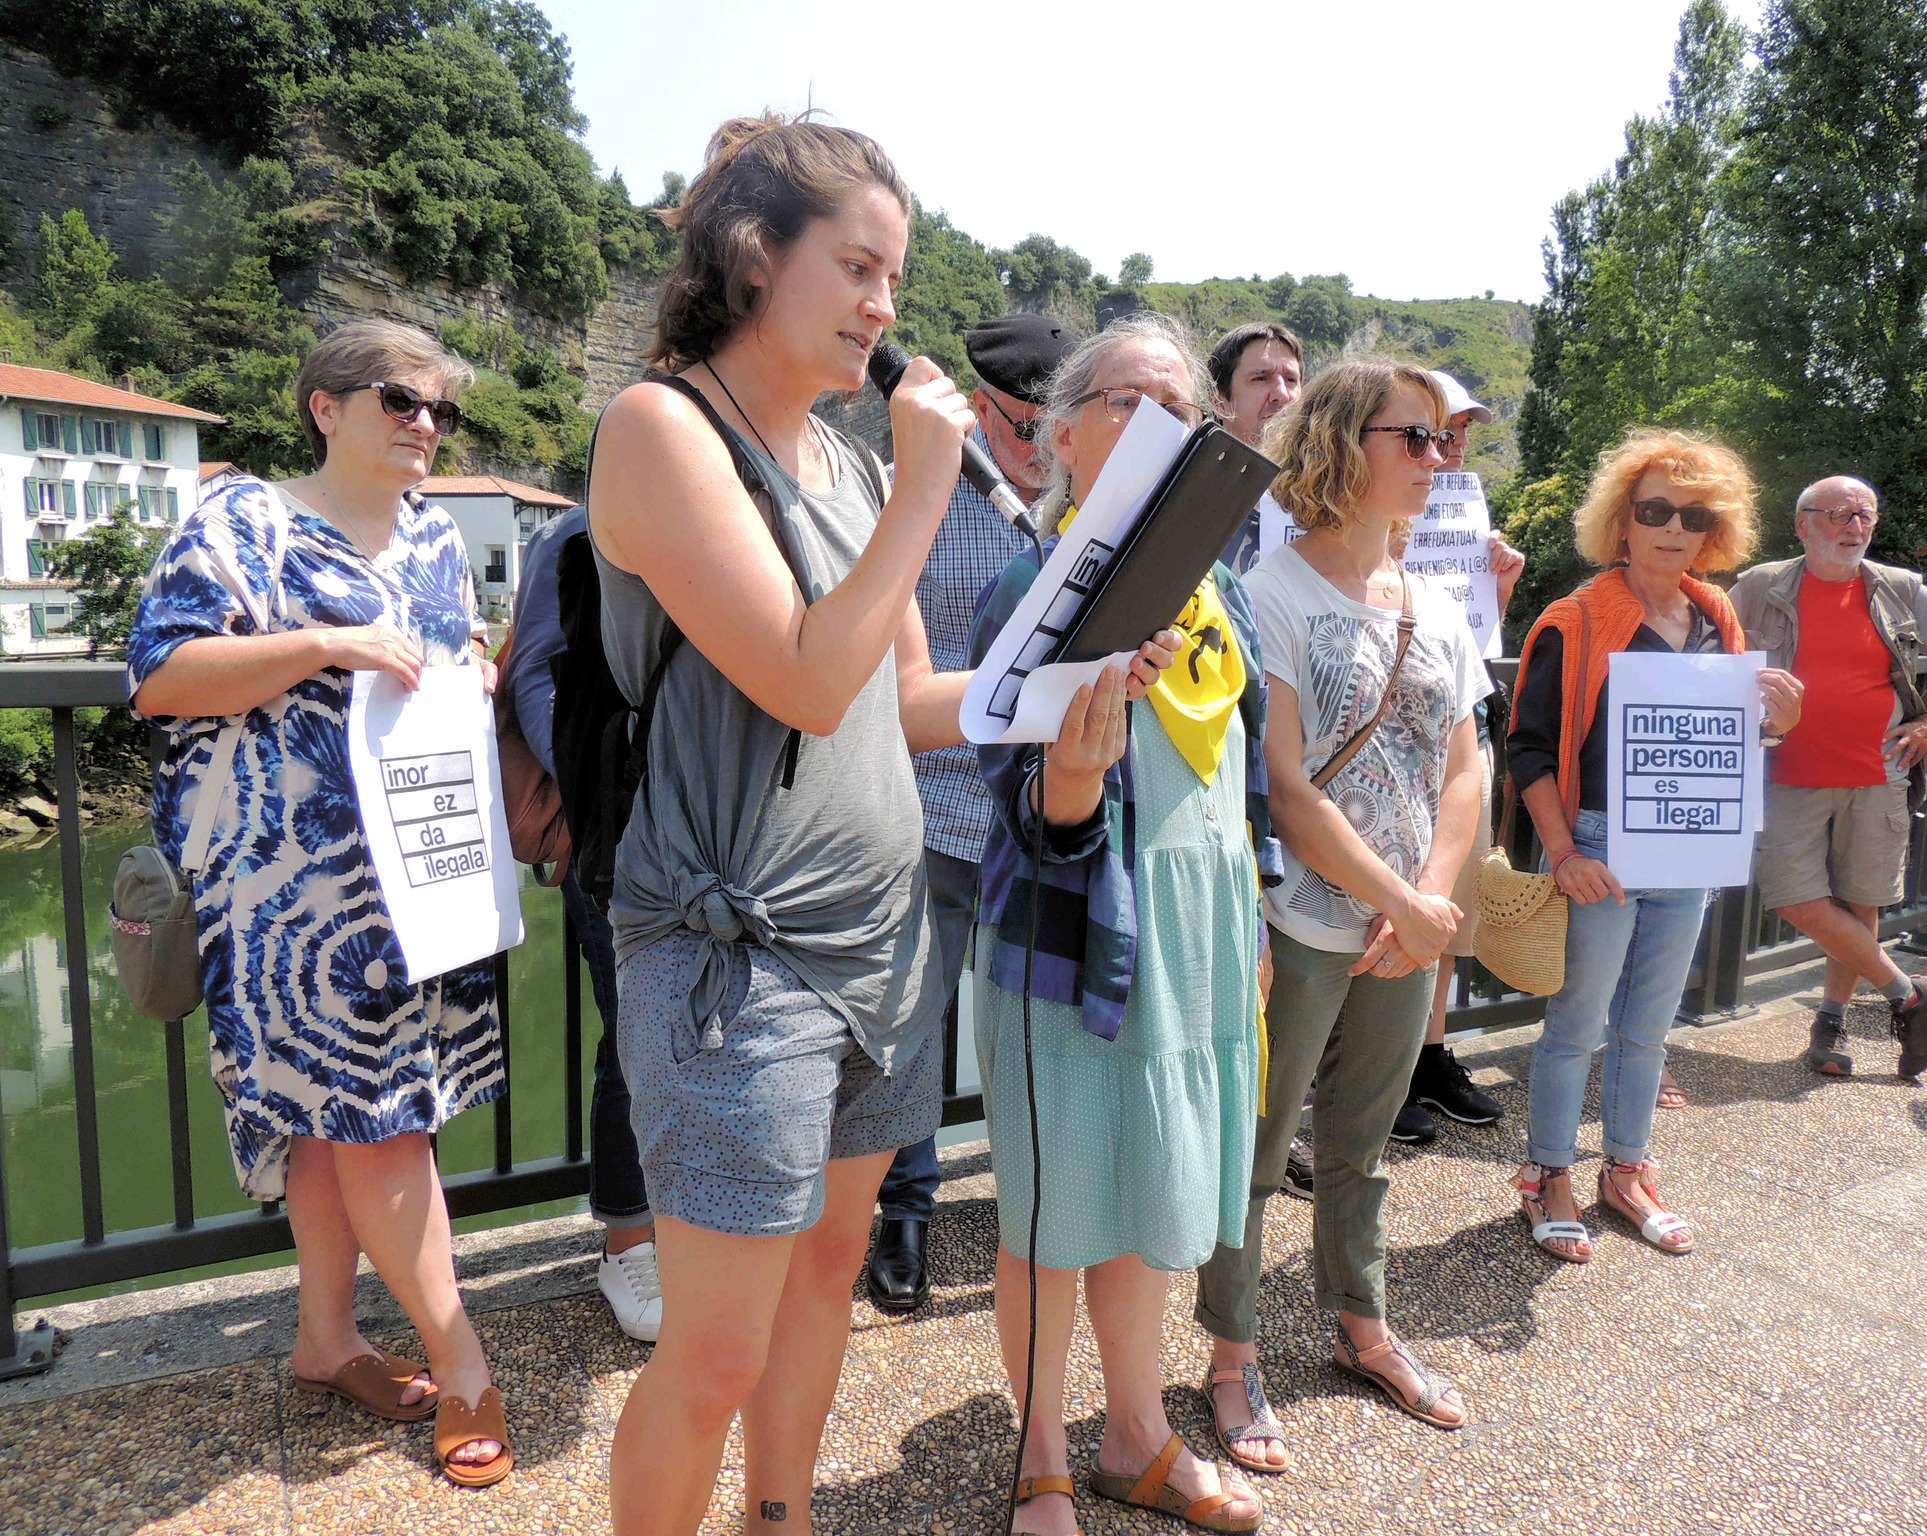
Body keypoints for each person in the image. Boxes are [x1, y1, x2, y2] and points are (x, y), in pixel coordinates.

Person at [589, 114, 1172, 1536]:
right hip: (736, 946)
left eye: (892, 276)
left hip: (878, 933)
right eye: (856, 267)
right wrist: (924, 487)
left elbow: (906, 700)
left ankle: (779, 1519)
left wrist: (1079, 679)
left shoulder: (851, 470)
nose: (883, 309)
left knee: (826, 1269)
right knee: (714, 1345)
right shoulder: (664, 430)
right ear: (750, 256)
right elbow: (799, 668)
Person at [127, 318, 512, 1487]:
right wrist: (325, 643)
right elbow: (158, 677)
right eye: (400, 399)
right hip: (286, 894)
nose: (425, 425)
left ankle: (323, 1340)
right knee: (382, 1119)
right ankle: (464, 1361)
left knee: (325, 1124)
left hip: (417, 877)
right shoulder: (239, 521)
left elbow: (430, 666)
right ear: (324, 406)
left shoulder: (438, 538)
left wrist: (470, 667)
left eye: (441, 410)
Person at [973, 312, 1269, 1536]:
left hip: (1197, 942)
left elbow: (1236, 785)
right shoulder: (1029, 581)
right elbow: (1012, 798)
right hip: (1073, 942)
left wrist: (1250, 916)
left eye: (1181, 410)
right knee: (1052, 1210)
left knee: (1151, 1196)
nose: (1160, 427)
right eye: (1128, 404)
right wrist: (1072, 781)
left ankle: (1136, 1435)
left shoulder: (1220, 596)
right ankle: (1042, 1457)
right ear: (1063, 434)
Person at [1194, 360, 1488, 1476]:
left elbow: (1463, 767)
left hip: (1400, 928)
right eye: (1411, 437)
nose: (1434, 458)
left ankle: (1360, 1325)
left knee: (1360, 1152)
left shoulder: (1435, 603)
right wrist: (1398, 902)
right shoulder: (1269, 592)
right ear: (1341, 442)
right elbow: (1282, 785)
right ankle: (1230, 1354)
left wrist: (1425, 908)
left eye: (1438, 441)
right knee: (1258, 1153)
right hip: (1302, 923)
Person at [1506, 429, 1802, 1264]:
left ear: (1717, 530)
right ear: (1622, 521)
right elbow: (1528, 749)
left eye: (1695, 513)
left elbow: (1728, 747)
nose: (1674, 527)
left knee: (1648, 1027)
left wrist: (1776, 718)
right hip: (1599, 847)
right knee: (1575, 1025)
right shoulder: (1576, 621)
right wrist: (1564, 853)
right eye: (1655, 509)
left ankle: (1627, 1171)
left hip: (1690, 851)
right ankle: (1549, 1174)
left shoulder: (1717, 618)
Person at [866, 313, 1078, 1314]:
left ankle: (1038, 1206)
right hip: (935, 806)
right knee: (911, 1030)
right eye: (1021, 426)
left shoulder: (1088, 509)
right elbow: (890, 682)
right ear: (979, 408)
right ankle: (903, 1212)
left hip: (1047, 814)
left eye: (1053, 429)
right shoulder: (917, 495)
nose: (1037, 451)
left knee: (1045, 1018)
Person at [1729, 476, 1927, 1075]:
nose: (1856, 526)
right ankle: (1911, 993)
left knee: (1859, 901)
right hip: (1785, 771)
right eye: (1840, 514)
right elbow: (1704, 643)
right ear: (1803, 524)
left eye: (1865, 515)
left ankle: (1832, 1022)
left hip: (1880, 772)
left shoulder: (1898, 588)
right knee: (1790, 894)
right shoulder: (1761, 586)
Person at [500, 506, 662, 1341]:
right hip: (619, 837)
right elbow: (532, 673)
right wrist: (600, 797)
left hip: (726, 835)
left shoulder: (743, 512)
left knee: (720, 1029)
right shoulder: (574, 535)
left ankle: (697, 1226)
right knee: (635, 1035)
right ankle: (629, 1240)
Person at [1396, 369, 1524, 1144]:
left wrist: (1497, 595)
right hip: (1387, 743)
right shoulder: (1377, 513)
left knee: (1449, 912)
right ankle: (1373, 1071)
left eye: (1461, 431)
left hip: (1458, 733)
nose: (1450, 447)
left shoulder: (1460, 520)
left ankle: (1429, 1059)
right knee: (1389, 905)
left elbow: (1472, 653)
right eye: (1435, 430)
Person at [1210, 321, 1304, 575]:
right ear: (1220, 401)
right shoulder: (1187, 503)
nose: (1282, 395)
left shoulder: (1325, 506)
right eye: (1261, 378)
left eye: (1291, 380)